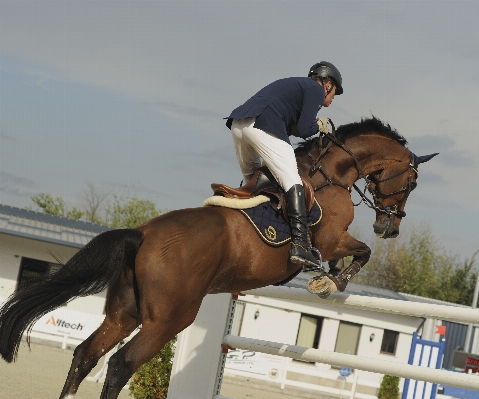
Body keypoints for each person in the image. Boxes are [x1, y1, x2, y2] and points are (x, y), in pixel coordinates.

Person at [225, 62, 343, 268]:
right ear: (327, 84)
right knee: (292, 180)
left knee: (252, 181)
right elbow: (306, 129)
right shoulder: (315, 89)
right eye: (335, 93)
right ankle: (300, 245)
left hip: (239, 123)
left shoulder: (296, 87)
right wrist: (319, 125)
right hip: (263, 124)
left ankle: (249, 227)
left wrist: (309, 126)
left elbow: (294, 127)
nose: (332, 99)